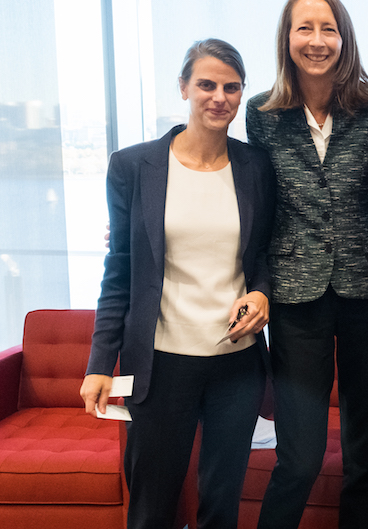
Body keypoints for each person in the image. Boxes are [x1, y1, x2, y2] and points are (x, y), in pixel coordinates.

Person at [81, 38, 275, 529]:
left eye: (232, 87)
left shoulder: (256, 168)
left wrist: (261, 292)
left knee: (221, 503)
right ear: (184, 87)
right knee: (151, 505)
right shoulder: (133, 166)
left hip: (236, 365)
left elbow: (266, 254)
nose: (220, 97)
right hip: (161, 364)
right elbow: (119, 270)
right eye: (207, 84)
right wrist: (100, 363)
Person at [247, 0, 368, 529]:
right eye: (304, 28)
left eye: (327, 28)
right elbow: (250, 189)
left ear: (344, 38)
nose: (316, 40)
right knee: (300, 456)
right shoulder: (263, 115)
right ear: (287, 39)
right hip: (295, 295)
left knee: (365, 453)